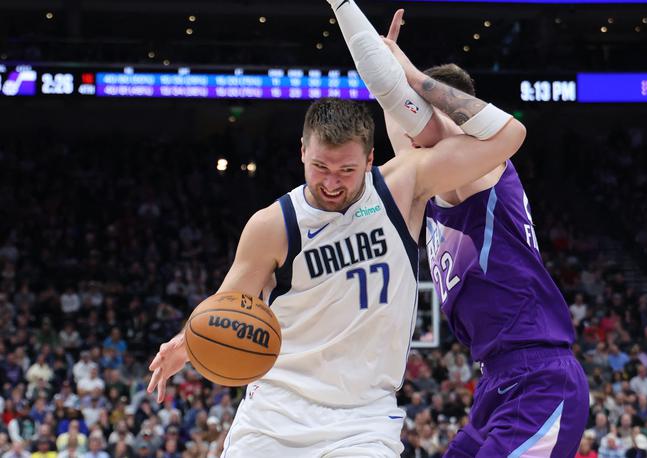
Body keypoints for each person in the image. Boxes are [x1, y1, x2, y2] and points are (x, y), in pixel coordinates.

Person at [147, 61, 525, 457]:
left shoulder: (402, 186)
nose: (331, 183)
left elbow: (504, 136)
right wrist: (184, 342)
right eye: (320, 167)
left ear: (370, 158)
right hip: (274, 415)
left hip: (363, 422)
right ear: (303, 152)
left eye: (347, 170)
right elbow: (225, 306)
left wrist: (407, 75)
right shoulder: (273, 225)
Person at [327, 1, 589, 456]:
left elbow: (456, 120)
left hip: (540, 380)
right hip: (496, 383)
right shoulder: (431, 180)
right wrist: (383, 58)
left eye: (423, 116)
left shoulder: (484, 169)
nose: (412, 131)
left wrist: (411, 74)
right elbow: (392, 103)